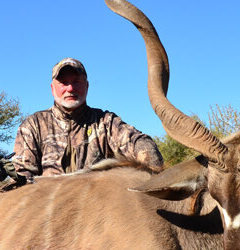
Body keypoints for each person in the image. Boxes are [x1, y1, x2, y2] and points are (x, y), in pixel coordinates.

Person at [12, 58, 163, 180]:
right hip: (47, 206)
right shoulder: (34, 124)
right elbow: (23, 174)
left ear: (87, 86)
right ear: (52, 89)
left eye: (76, 81)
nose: (70, 88)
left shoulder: (105, 121)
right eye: (64, 83)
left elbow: (138, 142)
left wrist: (151, 168)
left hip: (94, 205)